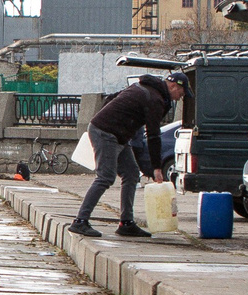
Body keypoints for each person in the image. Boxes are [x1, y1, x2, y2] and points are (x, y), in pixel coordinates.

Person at [70, 74, 174, 238]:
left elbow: (112, 98)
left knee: (131, 173)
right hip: (107, 133)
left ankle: (126, 223)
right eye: (181, 93)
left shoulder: (141, 88)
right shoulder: (154, 98)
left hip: (116, 134)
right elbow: (153, 135)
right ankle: (80, 221)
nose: (180, 97)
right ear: (174, 86)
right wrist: (157, 167)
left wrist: (115, 120)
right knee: (105, 176)